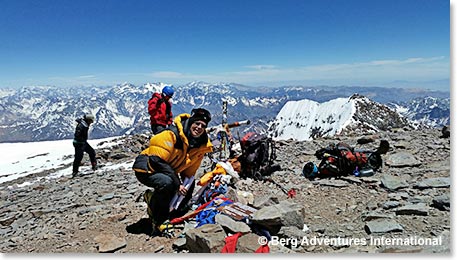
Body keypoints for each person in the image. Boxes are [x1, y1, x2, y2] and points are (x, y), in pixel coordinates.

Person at [134, 108, 213, 236]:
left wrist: (186, 187)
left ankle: (166, 209)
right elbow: (155, 160)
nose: (199, 127)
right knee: (168, 183)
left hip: (167, 170)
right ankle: (159, 220)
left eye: (203, 126)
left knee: (185, 185)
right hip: (147, 168)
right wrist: (177, 184)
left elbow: (189, 172)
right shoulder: (172, 134)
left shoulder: (199, 145)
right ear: (190, 122)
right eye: (196, 123)